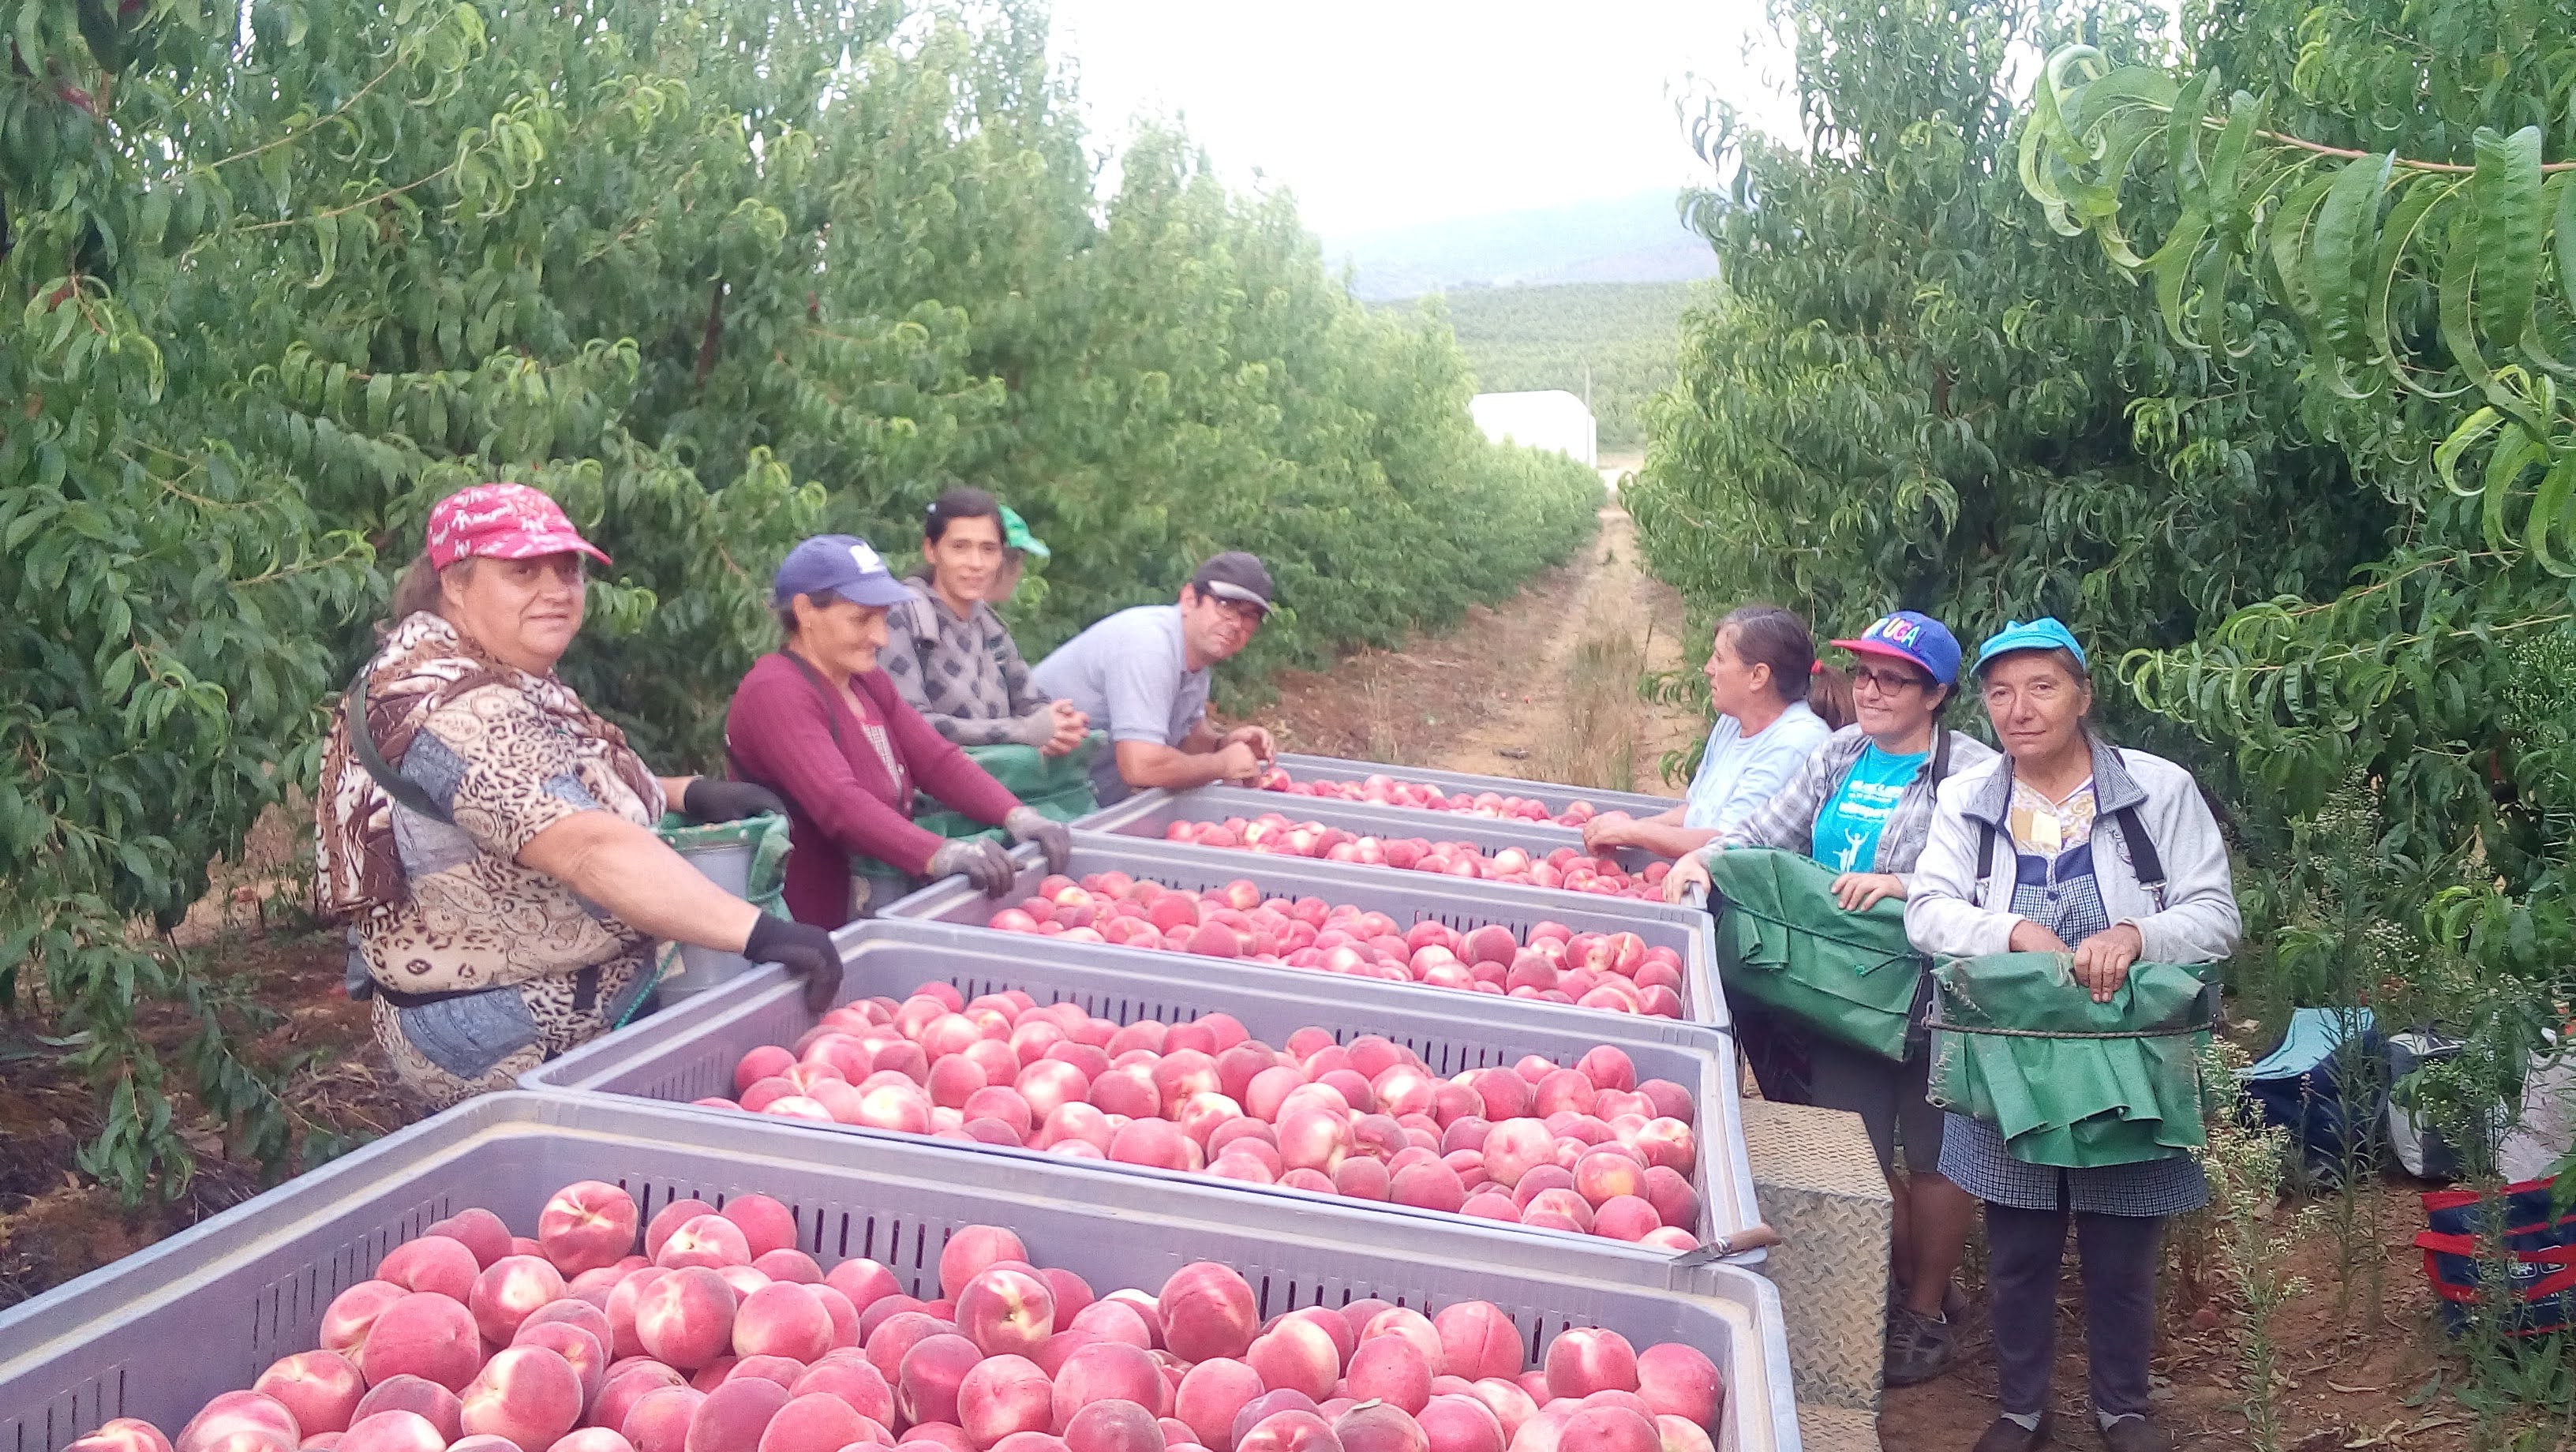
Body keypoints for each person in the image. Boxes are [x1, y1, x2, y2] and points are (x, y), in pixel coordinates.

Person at [315, 484, 845, 1109]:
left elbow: (554, 784)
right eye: (522, 572)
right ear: (455, 582)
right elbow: (585, 847)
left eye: (568, 570)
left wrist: (684, 793)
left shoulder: (484, 666)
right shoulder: (453, 707)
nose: (556, 590)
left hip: (559, 995)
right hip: (508, 1029)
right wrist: (758, 932)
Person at [1905, 618, 2241, 1452]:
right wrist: (2014, 931)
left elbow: (2215, 915)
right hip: (2008, 1052)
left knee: (2121, 1245)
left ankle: (2122, 1407)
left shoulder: (2156, 791)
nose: (2019, 708)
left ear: (2084, 696)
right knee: (2018, 1244)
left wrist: (2135, 934)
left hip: (2124, 1054)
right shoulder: (1969, 800)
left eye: (2042, 687)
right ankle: (2023, 1408)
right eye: (2000, 691)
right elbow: (1928, 911)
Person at [1664, 610, 1995, 1386]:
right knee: (1856, 1150)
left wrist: (1908, 884)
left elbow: (1996, 881)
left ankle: (1920, 1313)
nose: (1871, 690)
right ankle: (1921, 1283)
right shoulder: (1841, 753)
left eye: (1893, 678)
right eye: (1865, 674)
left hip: (1935, 993)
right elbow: (1766, 830)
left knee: (1937, 1158)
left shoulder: (1972, 775)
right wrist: (1710, 862)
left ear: (1937, 692)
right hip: (1844, 992)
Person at [726, 535, 1075, 928]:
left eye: (883, 618)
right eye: (861, 619)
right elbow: (841, 804)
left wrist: (1017, 815)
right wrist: (943, 853)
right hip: (804, 925)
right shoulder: (777, 692)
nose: (881, 637)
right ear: (806, 611)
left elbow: (937, 761)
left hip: (867, 909)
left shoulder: (866, 681)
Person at [1583, 604, 1847, 859]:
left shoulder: (1795, 742)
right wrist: (1629, 829)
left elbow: (1728, 843)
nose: (1708, 669)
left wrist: (1635, 831)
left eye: (1720, 659)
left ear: (1758, 676)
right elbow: (1696, 813)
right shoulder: (1733, 721)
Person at [1029, 552, 1279, 806]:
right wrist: (1223, 763)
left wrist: (1222, 744)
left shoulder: (1193, 657)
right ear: (1189, 599)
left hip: (1072, 803)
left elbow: (1185, 739)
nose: (1236, 623)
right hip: (1025, 800)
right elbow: (1142, 767)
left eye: (1249, 616)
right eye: (1225, 606)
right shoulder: (1149, 647)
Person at [882, 488, 1089, 755]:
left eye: (988, 549)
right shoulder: (901, 614)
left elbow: (1031, 702)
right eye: (960, 547)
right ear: (931, 551)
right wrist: (1021, 732)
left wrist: (1059, 725)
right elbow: (909, 721)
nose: (976, 563)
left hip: (997, 784)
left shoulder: (991, 628)